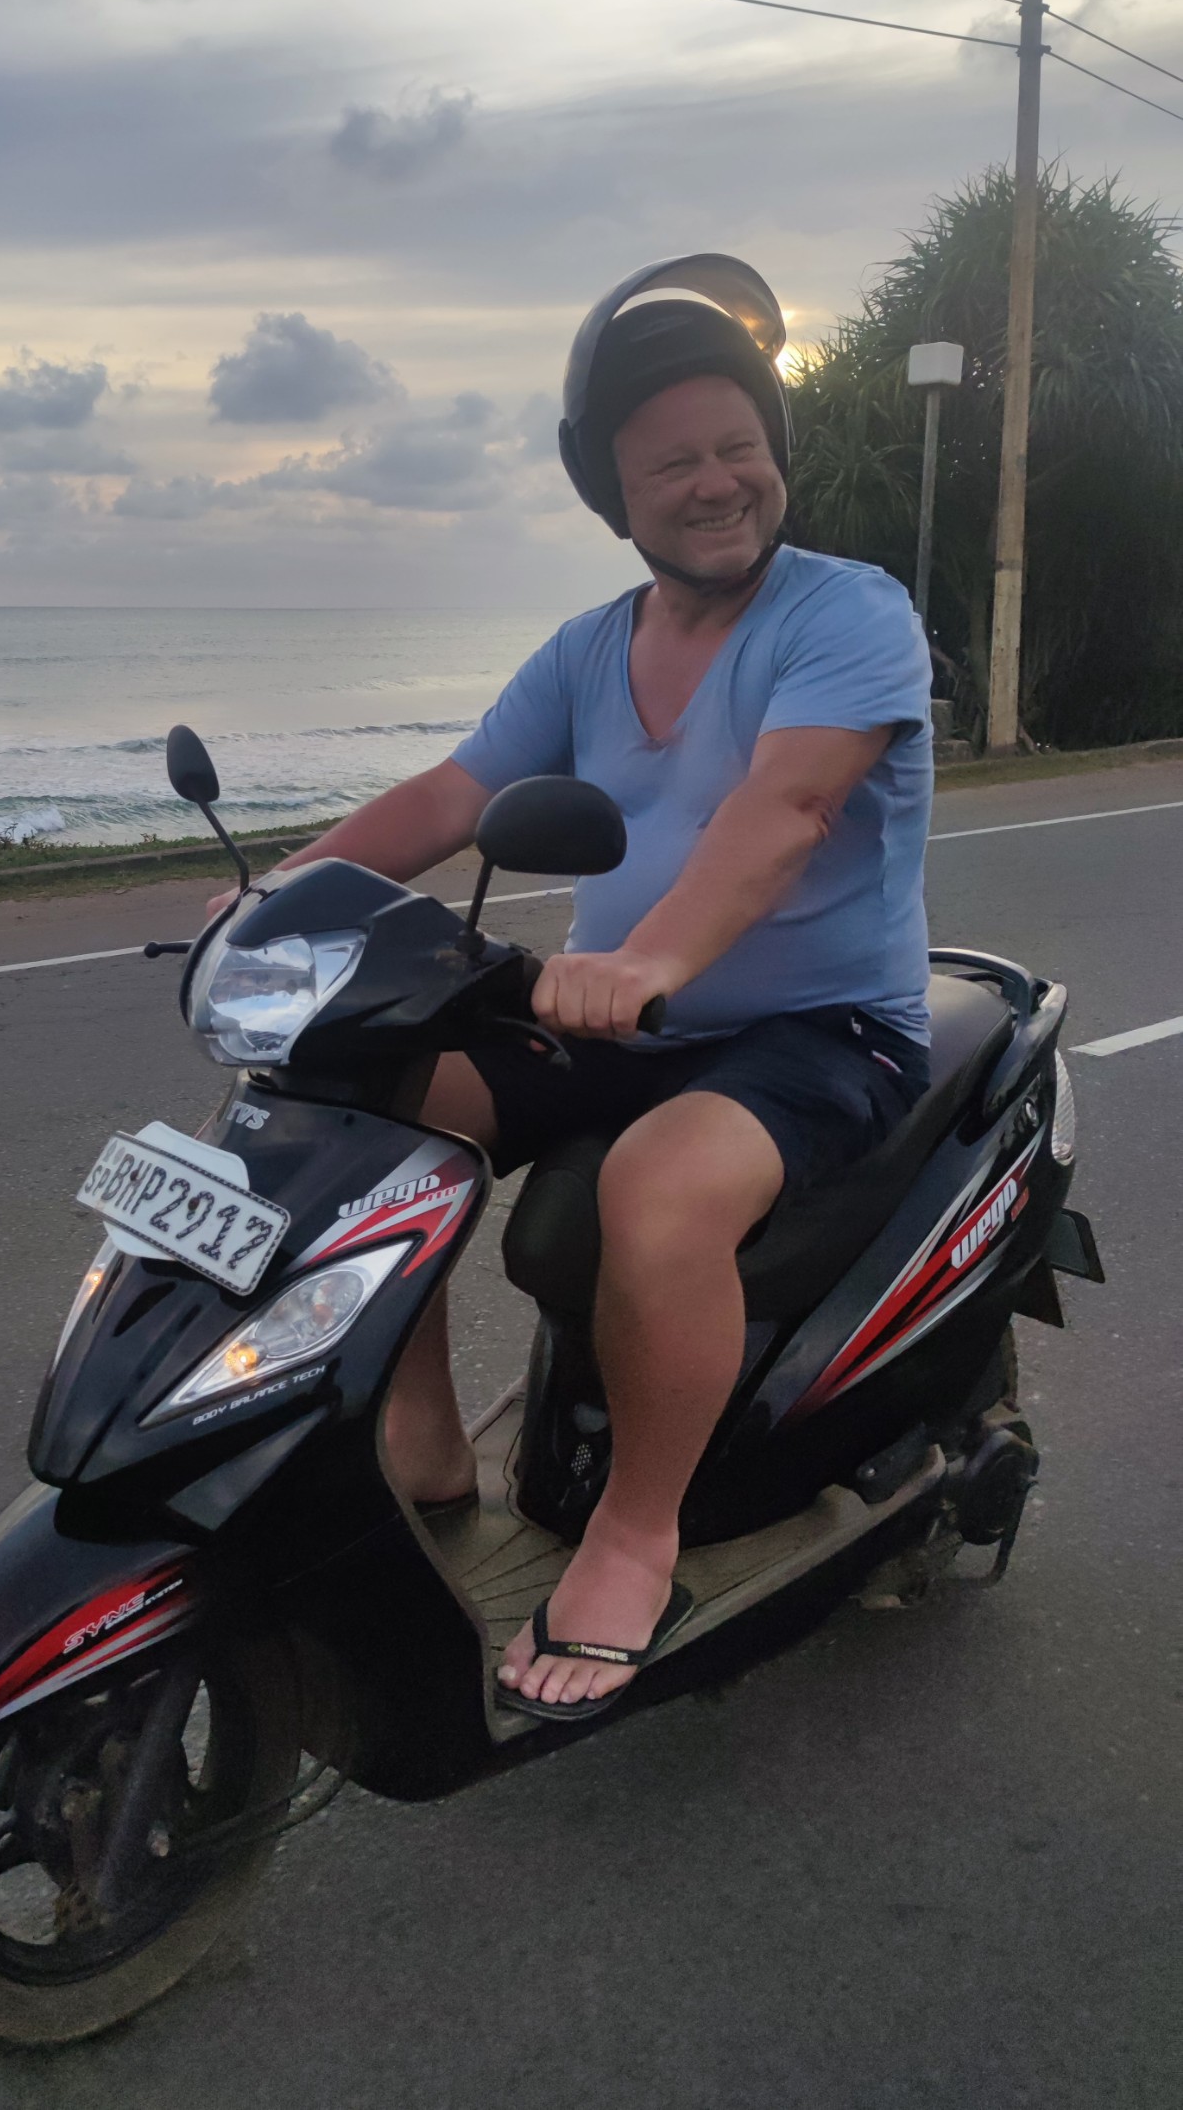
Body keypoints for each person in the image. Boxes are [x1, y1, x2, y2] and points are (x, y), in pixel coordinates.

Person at [242, 257, 934, 1716]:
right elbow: (451, 796)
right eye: (673, 462)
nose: (716, 482)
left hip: (822, 1032)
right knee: (369, 1090)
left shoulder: (847, 613)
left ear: (777, 454)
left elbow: (789, 808)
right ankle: (425, 1437)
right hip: (624, 1014)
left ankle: (634, 1533)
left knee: (656, 1190)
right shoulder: (589, 648)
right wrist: (278, 898)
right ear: (614, 495)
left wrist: (652, 959)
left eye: (739, 447)